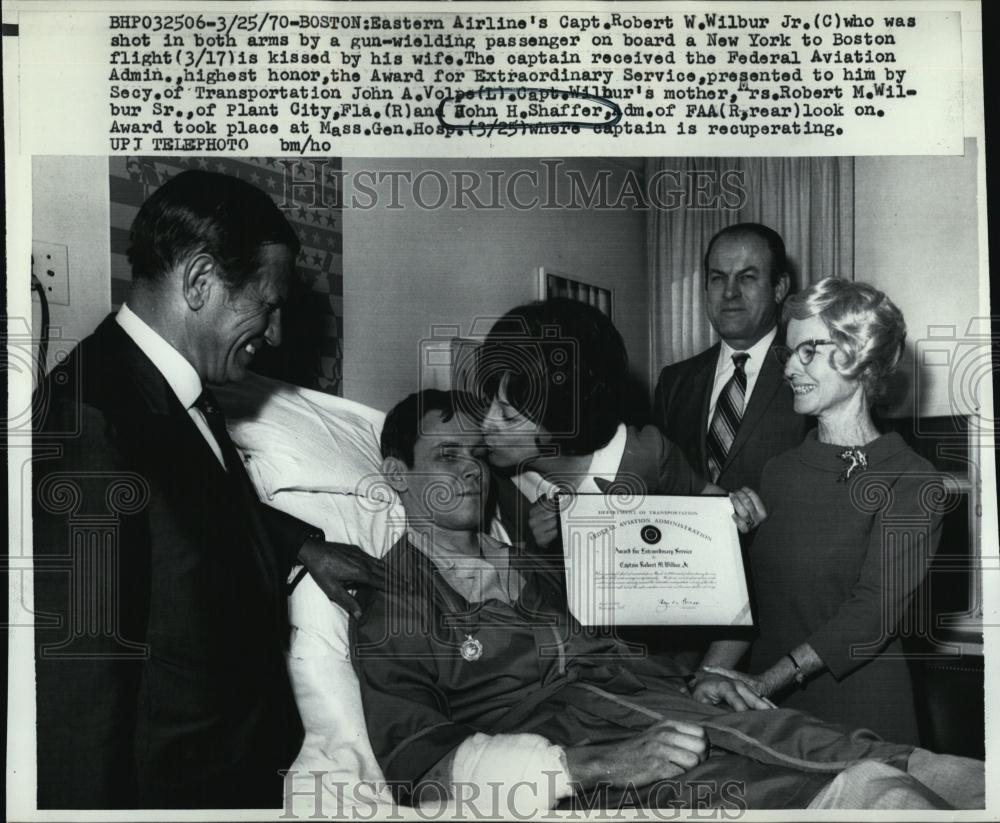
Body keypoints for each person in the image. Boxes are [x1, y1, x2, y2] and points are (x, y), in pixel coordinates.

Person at [351, 389, 983, 812]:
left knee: (837, 747)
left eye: (477, 455)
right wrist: (591, 765)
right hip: (595, 748)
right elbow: (418, 767)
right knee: (811, 791)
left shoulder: (526, 564)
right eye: (446, 456)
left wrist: (698, 676)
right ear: (396, 474)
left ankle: (924, 774)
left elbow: (612, 645)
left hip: (662, 701)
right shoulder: (396, 604)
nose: (470, 471)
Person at [32, 170, 384, 808]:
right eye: (268, 306)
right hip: (172, 789)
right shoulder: (90, 416)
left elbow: (188, 512)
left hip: (234, 767)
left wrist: (301, 548)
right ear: (199, 281)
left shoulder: (172, 388)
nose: (275, 334)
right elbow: (79, 677)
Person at [697, 278, 942, 745]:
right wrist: (707, 677)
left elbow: (870, 618)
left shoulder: (912, 480)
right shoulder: (778, 471)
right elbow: (752, 601)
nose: (790, 368)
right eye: (787, 353)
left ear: (859, 354)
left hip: (857, 716)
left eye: (808, 350)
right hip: (767, 711)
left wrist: (762, 683)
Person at [476, 297, 765, 559]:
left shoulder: (646, 452)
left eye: (507, 415)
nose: (486, 423)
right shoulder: (489, 473)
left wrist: (738, 511)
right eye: (489, 402)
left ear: (562, 421)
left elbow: (706, 497)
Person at [653, 223, 810, 493]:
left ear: (780, 287)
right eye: (717, 278)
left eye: (747, 277)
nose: (729, 292)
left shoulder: (811, 374)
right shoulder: (674, 383)